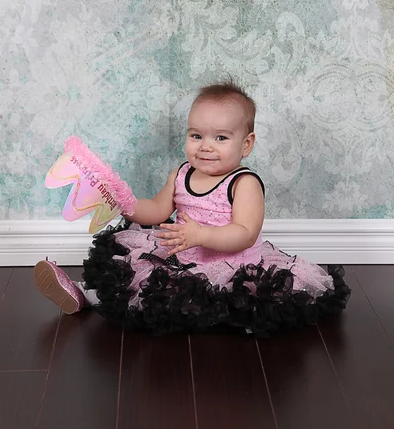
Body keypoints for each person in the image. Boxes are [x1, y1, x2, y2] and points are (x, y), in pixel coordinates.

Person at [34, 79, 350, 336]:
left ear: (246, 144)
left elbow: (244, 232)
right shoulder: (182, 174)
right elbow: (157, 211)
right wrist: (126, 205)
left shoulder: (244, 183)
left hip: (230, 267)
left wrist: (200, 234)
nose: (205, 146)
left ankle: (233, 314)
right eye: (196, 135)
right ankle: (84, 294)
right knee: (133, 274)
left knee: (212, 299)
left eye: (221, 137)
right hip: (180, 255)